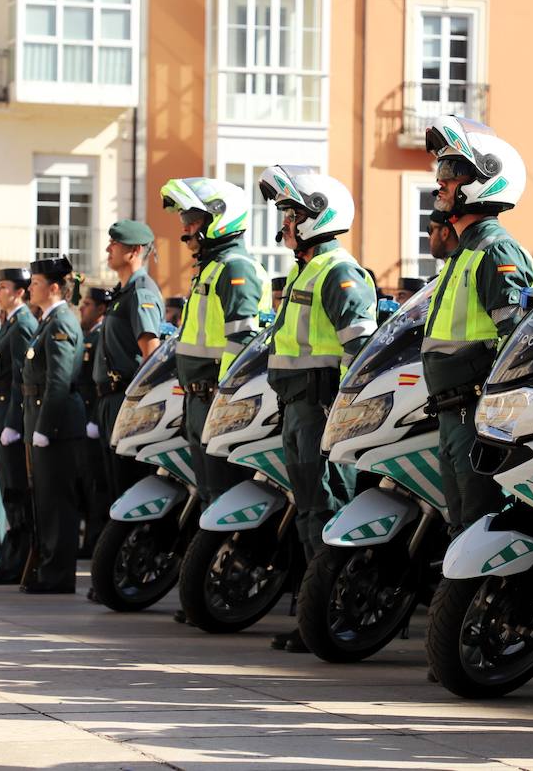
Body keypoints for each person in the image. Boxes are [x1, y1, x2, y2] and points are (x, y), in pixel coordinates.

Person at [258, 165, 377, 653]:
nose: (284, 222)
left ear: (317, 217)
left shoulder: (338, 270)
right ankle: (316, 616)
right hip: (296, 406)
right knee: (309, 512)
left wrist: (341, 412)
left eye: (291, 213)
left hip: (320, 405)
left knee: (329, 510)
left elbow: (360, 349)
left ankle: (338, 614)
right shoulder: (305, 268)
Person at [420, 117, 533, 534]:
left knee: (478, 527)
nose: (440, 186)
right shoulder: (463, 252)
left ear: (484, 180)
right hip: (452, 413)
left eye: (450, 175)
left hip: (476, 414)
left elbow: (517, 342)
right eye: (441, 175)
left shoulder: (496, 250)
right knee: (460, 527)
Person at [161, 177, 271, 509]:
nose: (186, 229)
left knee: (224, 500)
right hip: (199, 400)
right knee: (210, 498)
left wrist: (224, 398)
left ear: (218, 219)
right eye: (184, 220)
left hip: (217, 400)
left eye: (192, 220)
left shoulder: (235, 268)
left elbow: (242, 343)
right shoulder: (211, 269)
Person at [21, 255, 88, 593]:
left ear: (54, 287)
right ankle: (50, 568)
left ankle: (58, 575)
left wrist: (45, 428)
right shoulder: (48, 321)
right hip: (45, 422)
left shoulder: (61, 322)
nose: (29, 288)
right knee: (45, 500)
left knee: (57, 502)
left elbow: (58, 381)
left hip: (58, 427)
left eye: (35, 283)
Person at [94, 221, 164, 502]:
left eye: (115, 243)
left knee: (129, 489)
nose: (108, 248)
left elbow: (151, 354)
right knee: (114, 487)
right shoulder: (124, 291)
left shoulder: (141, 292)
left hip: (126, 401)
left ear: (134, 251)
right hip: (111, 402)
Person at [0, 266, 37, 584]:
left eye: (3, 287)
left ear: (19, 292)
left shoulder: (22, 326)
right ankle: (11, 557)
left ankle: (18, 560)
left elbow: (22, 378)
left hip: (11, 419)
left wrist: (13, 422)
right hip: (0, 417)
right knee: (9, 493)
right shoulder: (10, 324)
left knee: (17, 494)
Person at [75, 286, 109, 553]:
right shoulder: (86, 335)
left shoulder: (100, 337)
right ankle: (88, 536)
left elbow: (98, 383)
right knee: (83, 482)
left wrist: (95, 419)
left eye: (87, 304)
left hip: (92, 418)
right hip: (81, 417)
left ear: (101, 309)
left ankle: (95, 538)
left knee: (95, 484)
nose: (82, 308)